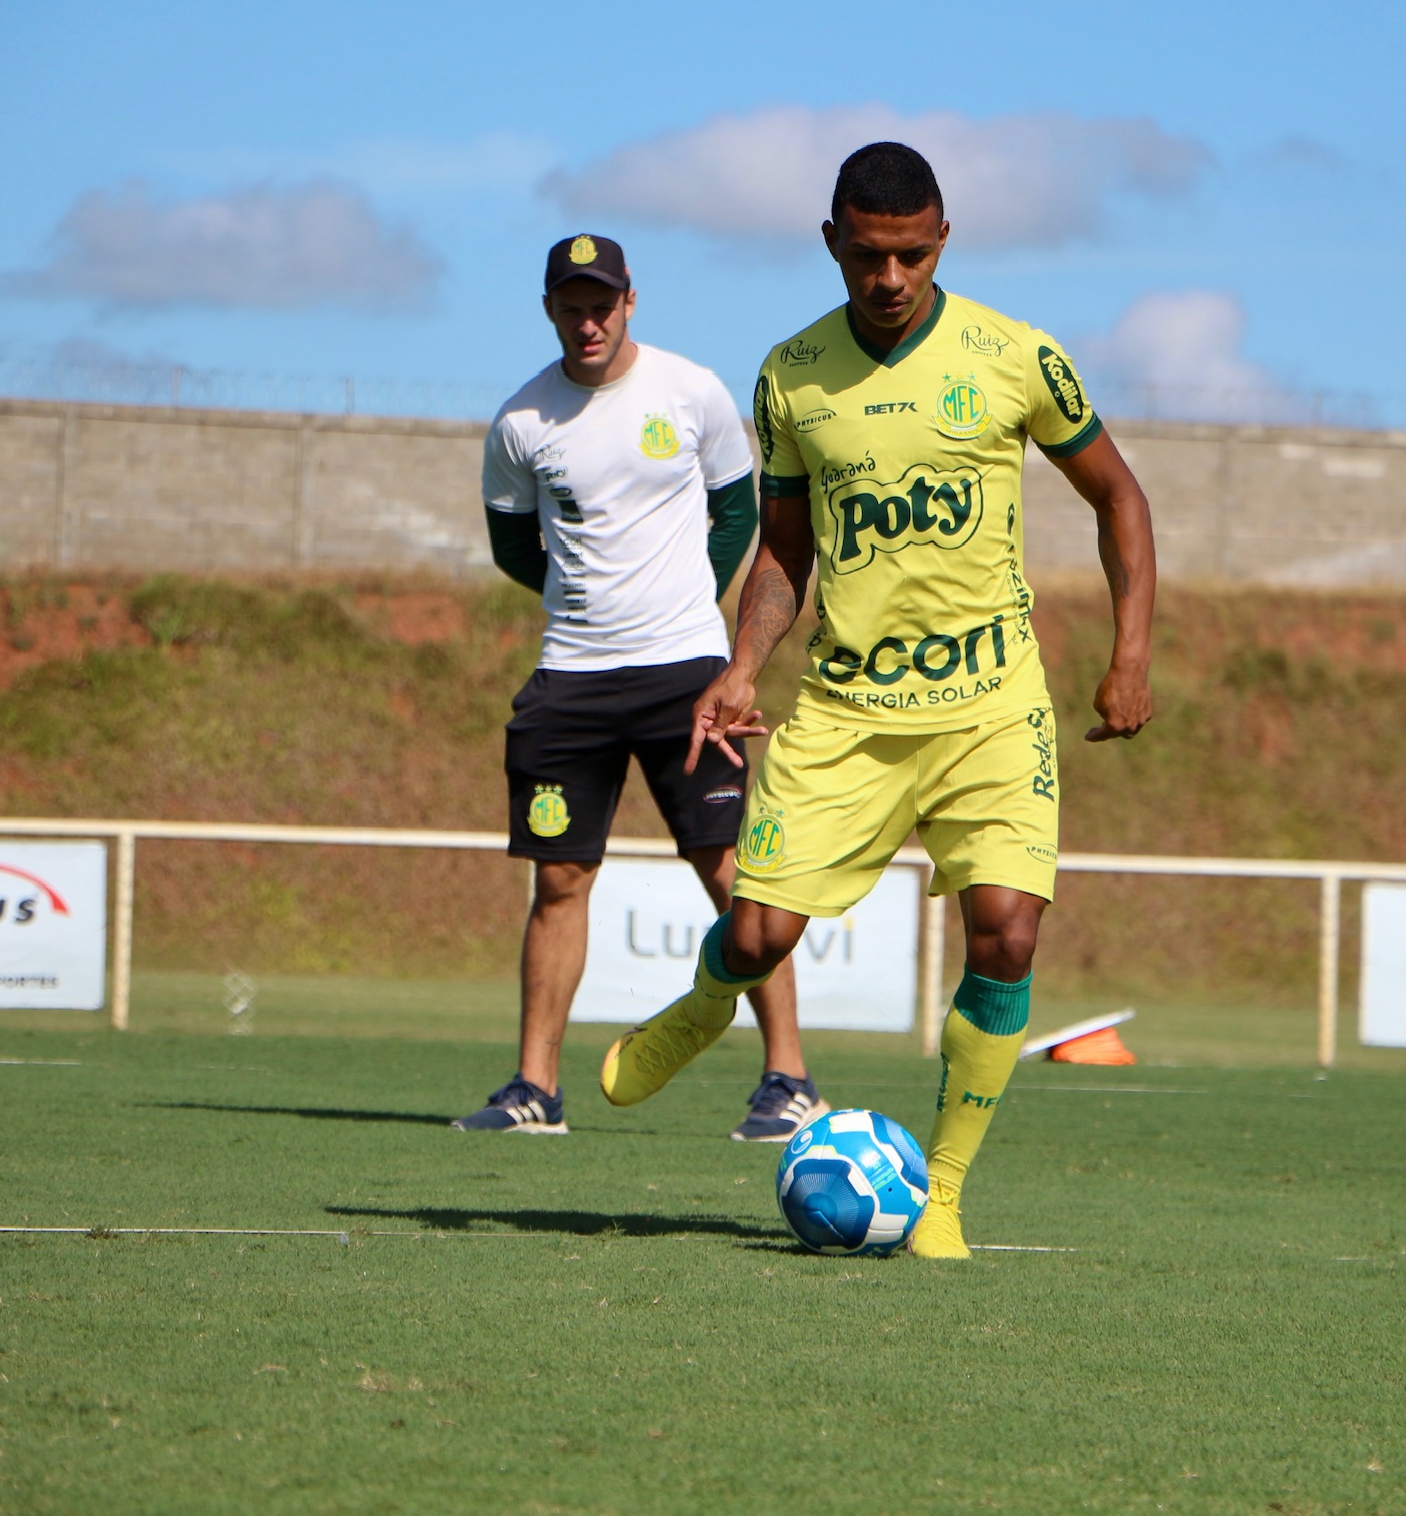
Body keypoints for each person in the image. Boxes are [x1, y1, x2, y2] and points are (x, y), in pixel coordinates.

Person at [597, 145, 1157, 1257]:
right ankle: (709, 1004)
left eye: (909, 254)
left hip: (993, 708)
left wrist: (1130, 652)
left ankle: (941, 1192)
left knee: (1004, 936)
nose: (889, 276)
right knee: (756, 934)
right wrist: (741, 662)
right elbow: (783, 552)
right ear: (833, 245)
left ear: (941, 241)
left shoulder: (1016, 356)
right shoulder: (790, 375)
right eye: (867, 255)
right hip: (848, 713)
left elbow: (1118, 495)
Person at [452, 232, 824, 1143]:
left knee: (736, 872)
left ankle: (788, 1081)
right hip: (571, 678)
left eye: (602, 302)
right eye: (570, 305)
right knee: (560, 879)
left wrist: (687, 597)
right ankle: (536, 1089)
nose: (588, 320)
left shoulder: (689, 390)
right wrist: (583, 601)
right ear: (549, 310)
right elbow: (511, 546)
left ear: (630, 301)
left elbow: (738, 508)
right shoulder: (519, 423)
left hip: (688, 673)